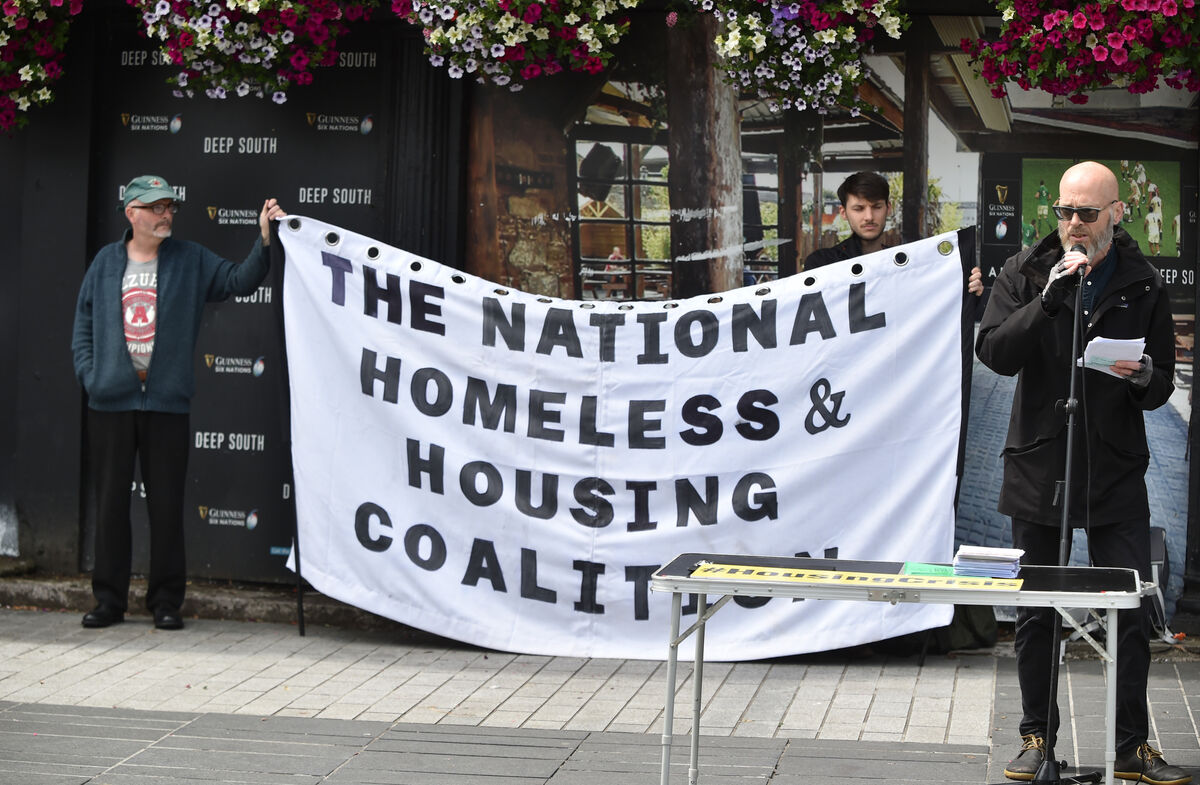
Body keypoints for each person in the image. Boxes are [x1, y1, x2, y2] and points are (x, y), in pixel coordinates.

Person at [976, 162, 1186, 784]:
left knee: (1127, 609)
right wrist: (1047, 303)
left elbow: (1162, 385)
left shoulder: (1142, 282)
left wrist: (1143, 376)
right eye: (1065, 211)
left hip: (1115, 470)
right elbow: (994, 353)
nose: (1072, 224)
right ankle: (1036, 740)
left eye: (1086, 214)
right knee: (1038, 610)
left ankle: (1131, 750)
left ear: (1116, 212)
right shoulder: (1026, 271)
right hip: (1041, 464)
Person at [71, 175, 287, 631]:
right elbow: (83, 324)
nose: (166, 214)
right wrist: (91, 377)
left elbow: (238, 280)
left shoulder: (190, 260)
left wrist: (264, 240)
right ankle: (109, 601)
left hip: (166, 404)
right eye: (155, 207)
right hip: (109, 403)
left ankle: (166, 602)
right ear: (132, 213)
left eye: (170, 206)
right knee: (110, 505)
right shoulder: (105, 263)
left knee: (166, 506)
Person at [803, 171, 984, 296]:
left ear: (888, 208)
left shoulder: (905, 266)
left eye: (876, 207)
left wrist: (968, 293)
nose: (869, 216)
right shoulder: (821, 264)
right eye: (859, 208)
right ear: (843, 213)